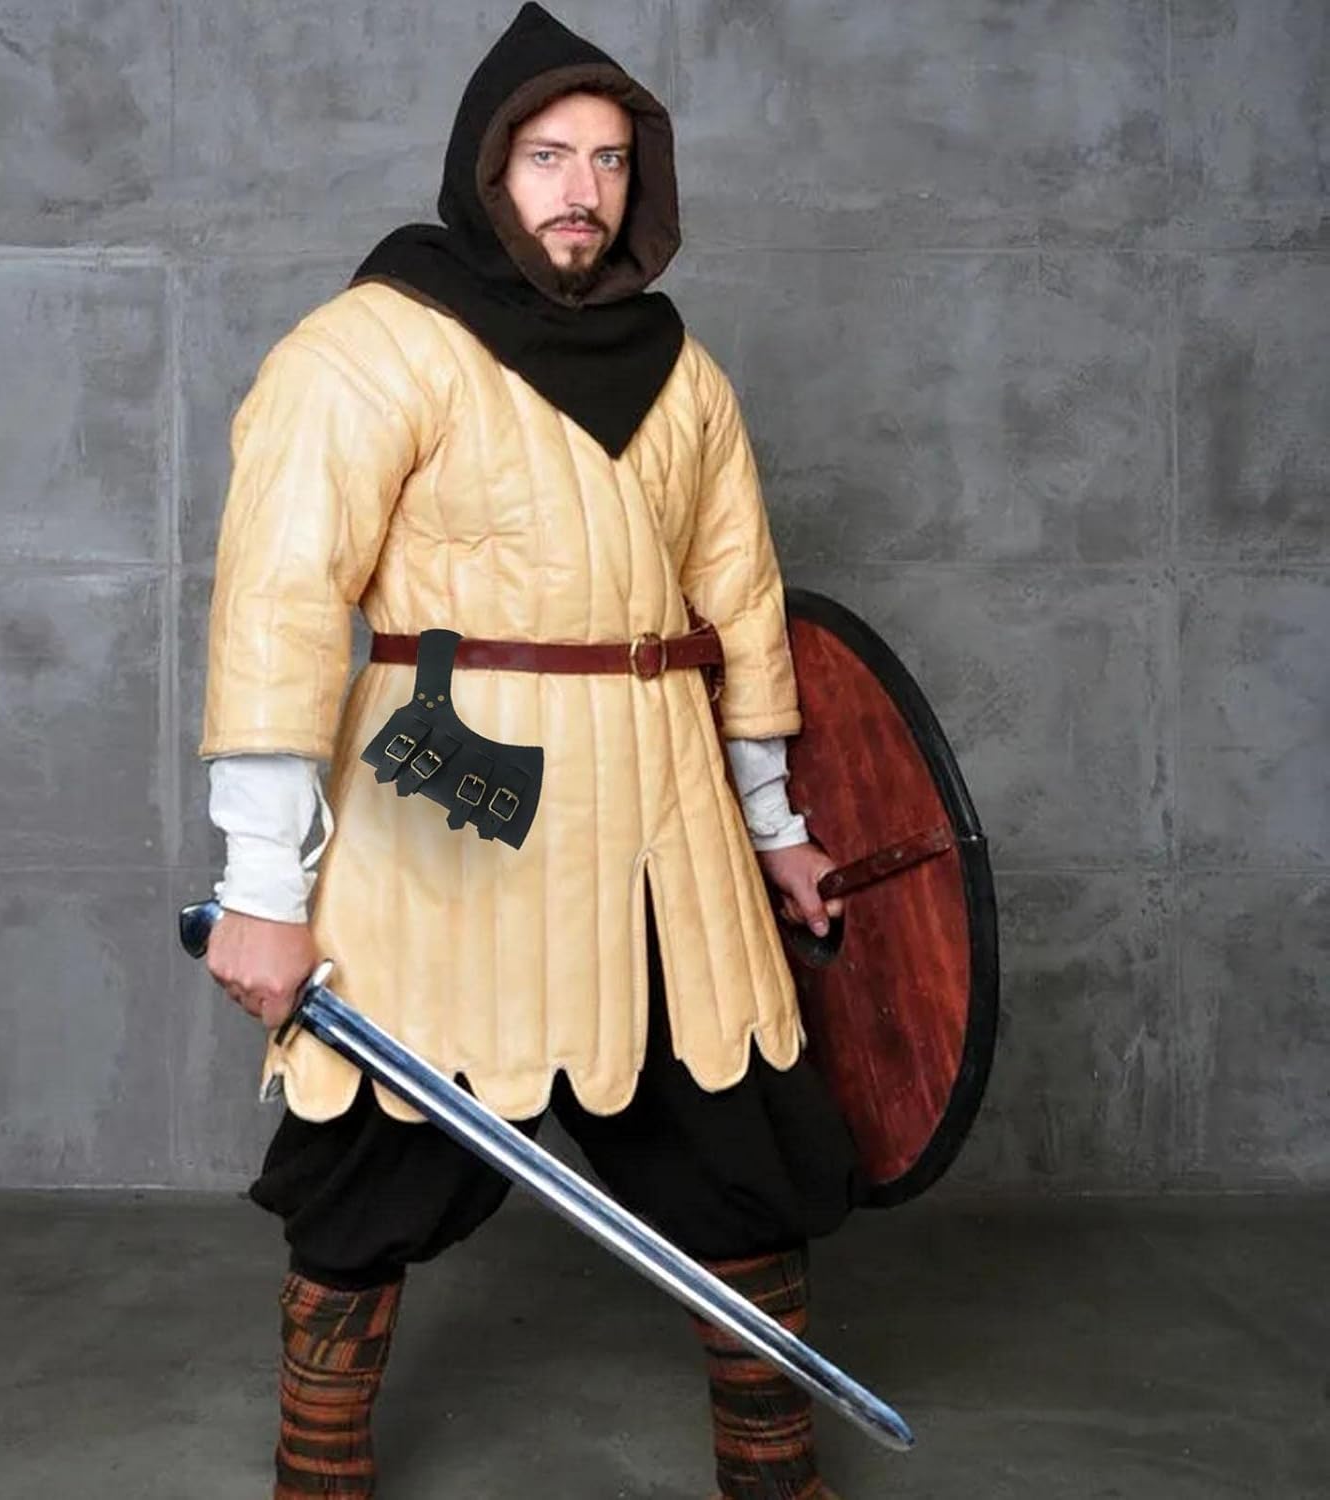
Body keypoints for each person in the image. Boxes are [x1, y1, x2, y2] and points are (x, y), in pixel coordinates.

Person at [198, 6, 864, 1496]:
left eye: (611, 161)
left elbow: (739, 606)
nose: (583, 190)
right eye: (549, 156)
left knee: (743, 1151)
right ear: (487, 169)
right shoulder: (369, 348)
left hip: (664, 819)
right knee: (372, 1165)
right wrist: (261, 886)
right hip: (451, 811)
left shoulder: (682, 372)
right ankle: (320, 1472)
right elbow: (279, 606)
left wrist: (774, 827)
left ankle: (776, 1476)